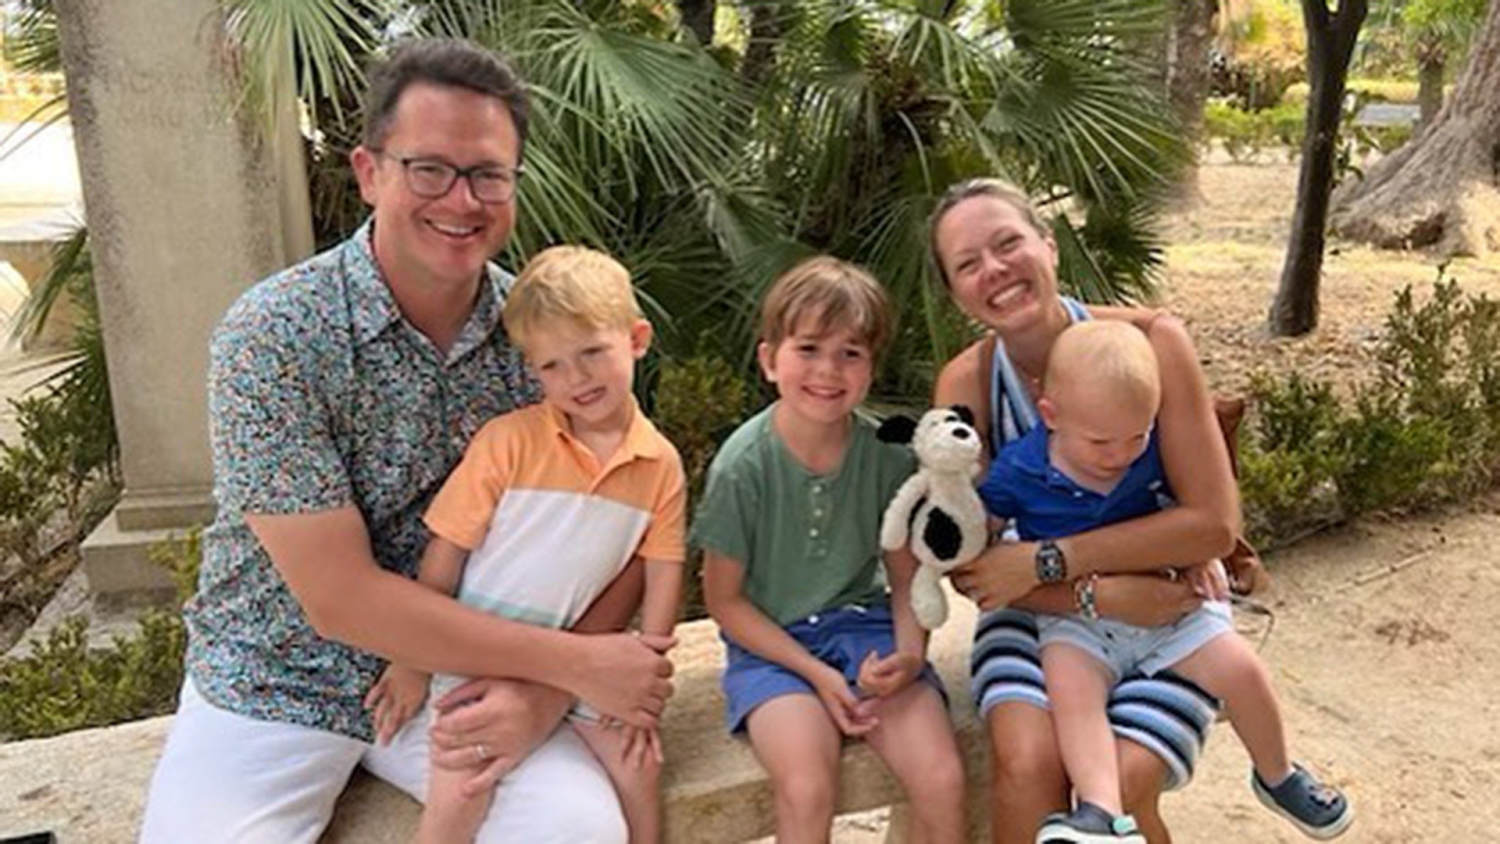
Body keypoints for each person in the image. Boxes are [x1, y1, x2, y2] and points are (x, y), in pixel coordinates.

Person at [140, 40, 672, 844]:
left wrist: (544, 692)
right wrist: (569, 665)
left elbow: (630, 512)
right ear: (369, 172)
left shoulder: (546, 340)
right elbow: (339, 598)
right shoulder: (273, 336)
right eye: (429, 169)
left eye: (488, 174)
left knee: (578, 830)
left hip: (466, 667)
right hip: (277, 673)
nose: (462, 199)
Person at [928, 178, 1241, 844]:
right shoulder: (966, 384)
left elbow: (1214, 524)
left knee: (1125, 778)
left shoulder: (1153, 342)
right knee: (1028, 758)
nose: (995, 269)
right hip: (1036, 611)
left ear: (1049, 245)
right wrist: (1094, 595)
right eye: (968, 263)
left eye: (1008, 243)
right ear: (954, 291)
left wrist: (1055, 560)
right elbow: (966, 561)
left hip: (1169, 603)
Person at [979, 321, 1352, 842]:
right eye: (1101, 441)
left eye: (1137, 436)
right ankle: (1100, 811)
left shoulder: (1153, 452)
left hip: (1172, 603)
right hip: (1077, 619)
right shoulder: (1019, 469)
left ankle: (1278, 773)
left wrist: (1199, 554)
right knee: (1071, 692)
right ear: (1051, 415)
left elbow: (1194, 514)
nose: (1119, 455)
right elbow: (980, 532)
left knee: (1242, 669)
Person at [364, 245, 686, 844]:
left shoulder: (660, 464)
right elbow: (445, 554)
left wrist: (645, 678)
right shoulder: (507, 442)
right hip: (473, 655)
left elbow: (662, 569)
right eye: (552, 366)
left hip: (581, 663)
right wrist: (412, 661)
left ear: (637, 339)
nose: (577, 378)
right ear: (532, 371)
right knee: (462, 784)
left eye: (592, 352)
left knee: (639, 767)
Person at [695, 256, 967, 844]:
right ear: (770, 360)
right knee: (807, 788)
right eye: (809, 349)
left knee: (942, 778)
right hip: (773, 650)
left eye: (850, 353)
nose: (828, 370)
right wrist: (817, 674)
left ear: (870, 368)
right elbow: (724, 601)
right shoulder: (742, 468)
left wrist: (910, 655)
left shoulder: (888, 456)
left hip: (864, 629)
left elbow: (905, 577)